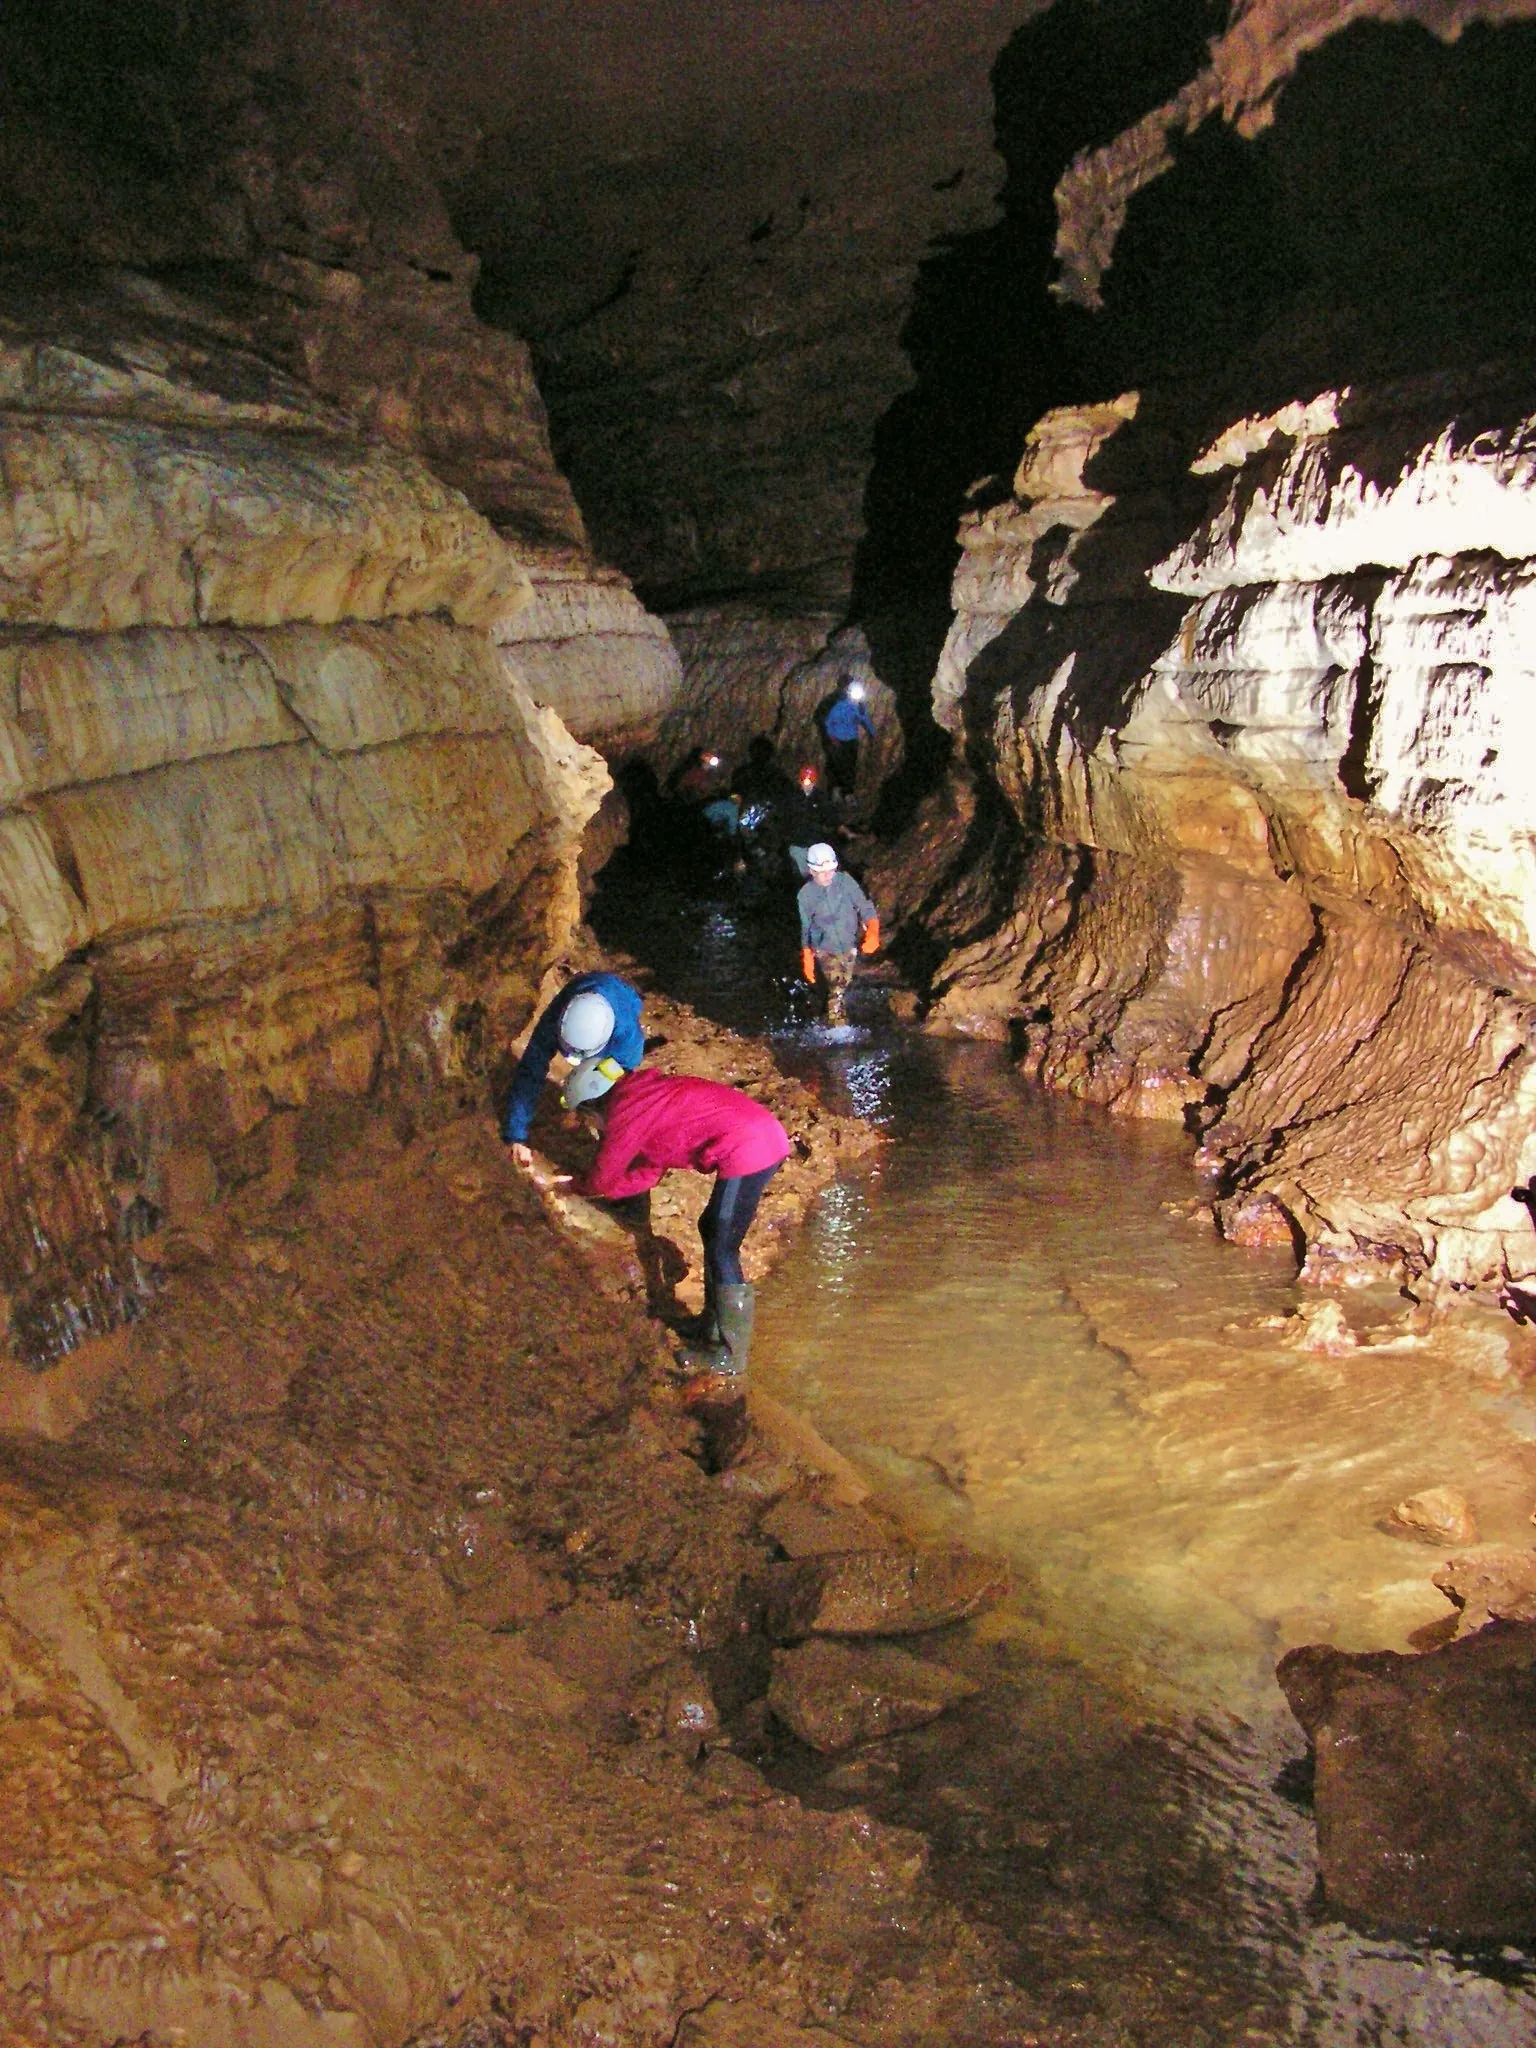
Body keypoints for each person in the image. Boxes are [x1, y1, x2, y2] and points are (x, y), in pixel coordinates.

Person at [558, 1061, 791, 1384]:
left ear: (594, 1105)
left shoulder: (627, 1109)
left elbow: (604, 1173)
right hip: (759, 1138)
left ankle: (729, 1354)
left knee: (723, 1244)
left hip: (750, 1147)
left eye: (587, 1119)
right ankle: (710, 1326)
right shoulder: (642, 1099)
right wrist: (603, 1190)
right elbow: (648, 1172)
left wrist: (577, 1187)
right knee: (711, 1228)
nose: (596, 1129)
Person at [501, 971, 645, 1167]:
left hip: (620, 1002)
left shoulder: (627, 1042)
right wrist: (515, 1135)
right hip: (587, 986)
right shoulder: (556, 1019)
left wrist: (582, 1110)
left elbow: (621, 1093)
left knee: (611, 1096)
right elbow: (531, 1070)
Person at [797, 842, 878, 1024]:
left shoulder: (845, 882)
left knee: (843, 983)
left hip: (849, 946)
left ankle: (822, 1018)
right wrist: (807, 954)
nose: (828, 876)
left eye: (831, 870)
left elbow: (864, 905)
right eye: (822, 872)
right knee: (837, 987)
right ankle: (839, 1030)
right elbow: (806, 927)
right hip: (824, 949)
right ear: (811, 871)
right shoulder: (805, 895)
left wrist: (872, 928)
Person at [819, 676, 875, 803]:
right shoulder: (837, 704)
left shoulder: (858, 705)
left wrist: (873, 732)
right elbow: (828, 722)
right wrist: (832, 737)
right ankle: (836, 792)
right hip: (837, 740)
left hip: (851, 740)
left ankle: (848, 793)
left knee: (850, 767)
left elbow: (865, 719)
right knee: (838, 766)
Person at [780, 763, 838, 877]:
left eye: (810, 783)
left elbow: (829, 817)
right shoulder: (791, 797)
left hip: (815, 842)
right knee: (802, 874)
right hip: (797, 843)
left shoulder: (820, 797)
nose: (807, 786)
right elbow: (785, 817)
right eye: (804, 782)